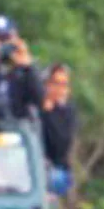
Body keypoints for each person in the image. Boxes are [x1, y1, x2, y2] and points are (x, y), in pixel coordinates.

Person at [38, 62, 77, 196]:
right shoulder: (36, 108)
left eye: (63, 85)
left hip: (56, 168)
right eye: (55, 83)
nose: (59, 89)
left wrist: (48, 114)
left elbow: (60, 144)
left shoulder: (68, 112)